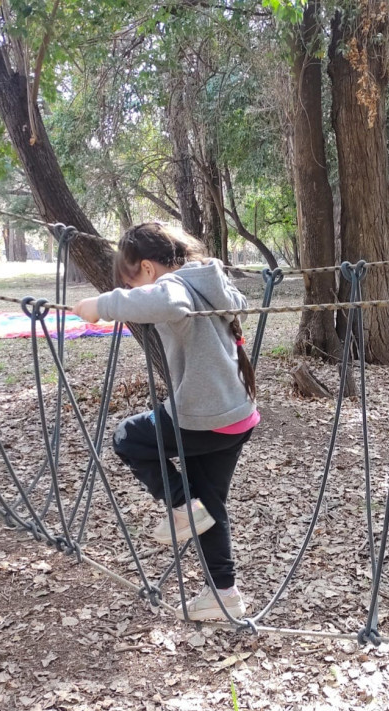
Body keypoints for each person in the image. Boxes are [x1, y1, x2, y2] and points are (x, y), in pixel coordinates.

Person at [74, 222, 259, 621]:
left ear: (147, 269)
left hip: (204, 415)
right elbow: (239, 302)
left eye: (133, 283)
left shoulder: (176, 287)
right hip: (238, 414)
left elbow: (169, 301)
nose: (136, 291)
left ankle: (179, 504)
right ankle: (223, 595)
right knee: (208, 504)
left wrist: (103, 305)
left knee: (128, 438)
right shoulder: (209, 282)